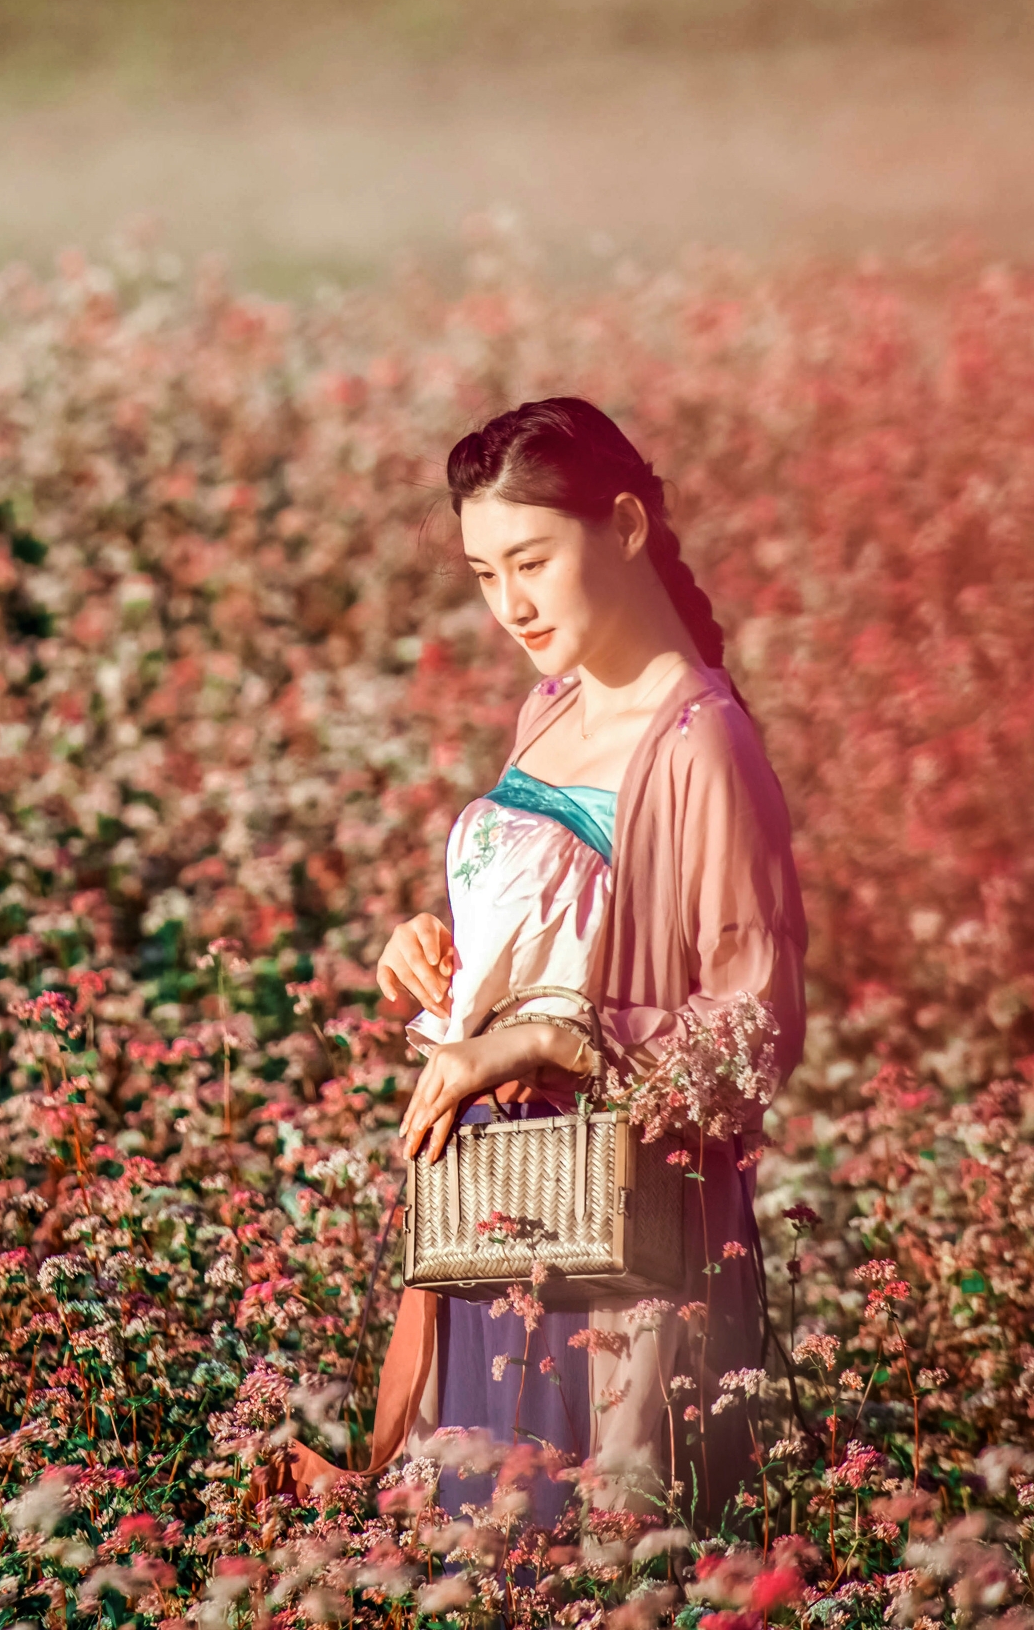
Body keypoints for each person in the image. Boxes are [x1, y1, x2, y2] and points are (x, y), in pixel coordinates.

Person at [267, 397, 808, 1537]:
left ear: (621, 526)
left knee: (580, 1545)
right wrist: (436, 948)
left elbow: (754, 1029)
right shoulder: (550, 705)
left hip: (615, 1232)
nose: (508, 605)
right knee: (472, 1532)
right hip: (497, 1204)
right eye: (481, 572)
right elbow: (555, 926)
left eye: (530, 561)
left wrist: (545, 1040)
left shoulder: (700, 742)